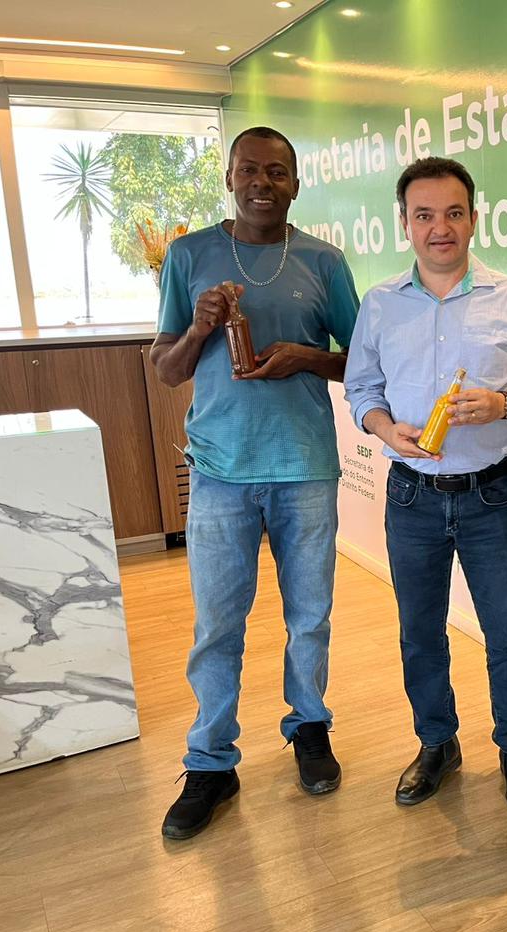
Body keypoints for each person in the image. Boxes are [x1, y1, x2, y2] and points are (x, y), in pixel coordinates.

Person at [151, 126, 360, 840]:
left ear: (295, 184)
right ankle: (211, 761)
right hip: (218, 472)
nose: (261, 183)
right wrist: (199, 328)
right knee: (217, 625)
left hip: (304, 466)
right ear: (230, 178)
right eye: (248, 170)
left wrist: (307, 356)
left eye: (276, 172)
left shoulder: (324, 261)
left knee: (310, 616)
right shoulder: (188, 255)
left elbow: (362, 359)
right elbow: (167, 369)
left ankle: (309, 726)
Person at [345, 157, 507, 812]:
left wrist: (506, 404)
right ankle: (437, 743)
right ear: (404, 223)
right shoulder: (380, 304)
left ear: (473, 218)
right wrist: (386, 428)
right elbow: (361, 389)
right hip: (411, 494)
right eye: (425, 215)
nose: (441, 228)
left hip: (492, 494)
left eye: (453, 213)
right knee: (420, 633)